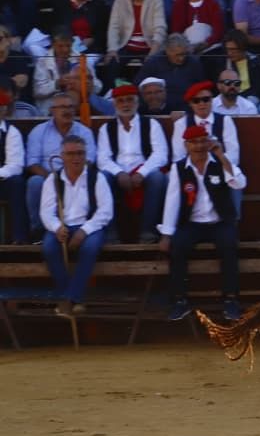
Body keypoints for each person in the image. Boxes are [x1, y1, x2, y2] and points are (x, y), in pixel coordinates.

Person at [158, 122, 245, 322]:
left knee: (229, 246)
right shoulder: (179, 168)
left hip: (219, 221)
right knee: (177, 247)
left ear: (208, 143)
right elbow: (172, 201)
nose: (198, 146)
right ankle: (180, 301)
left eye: (202, 141)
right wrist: (166, 234)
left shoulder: (219, 163)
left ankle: (230, 300)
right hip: (192, 223)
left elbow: (239, 183)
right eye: (193, 142)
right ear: (186, 145)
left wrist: (222, 157)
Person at [38, 134, 114, 317]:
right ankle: (75, 299)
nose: (76, 158)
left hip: (90, 226)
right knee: (49, 248)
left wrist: (83, 231)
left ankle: (69, 299)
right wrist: (57, 227)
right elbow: (46, 211)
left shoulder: (97, 178)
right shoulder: (53, 180)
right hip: (62, 226)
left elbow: (105, 211)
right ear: (62, 156)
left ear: (86, 155)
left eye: (80, 153)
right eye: (71, 154)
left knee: (89, 249)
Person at [96, 83, 169, 241]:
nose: (126, 104)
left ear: (137, 103)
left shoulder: (151, 124)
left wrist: (141, 173)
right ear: (114, 104)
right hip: (118, 173)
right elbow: (103, 159)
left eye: (129, 100)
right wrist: (119, 173)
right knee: (102, 178)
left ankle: (147, 231)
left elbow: (161, 154)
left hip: (144, 171)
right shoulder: (106, 129)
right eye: (121, 101)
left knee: (157, 178)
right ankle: (111, 234)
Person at [21, 92, 97, 241]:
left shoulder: (84, 132)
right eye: (62, 107)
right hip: (48, 176)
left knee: (92, 180)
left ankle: (84, 229)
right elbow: (32, 163)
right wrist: (53, 178)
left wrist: (69, 176)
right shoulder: (39, 131)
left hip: (77, 176)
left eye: (70, 107)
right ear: (52, 110)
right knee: (34, 182)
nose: (67, 110)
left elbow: (90, 160)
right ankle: (39, 232)